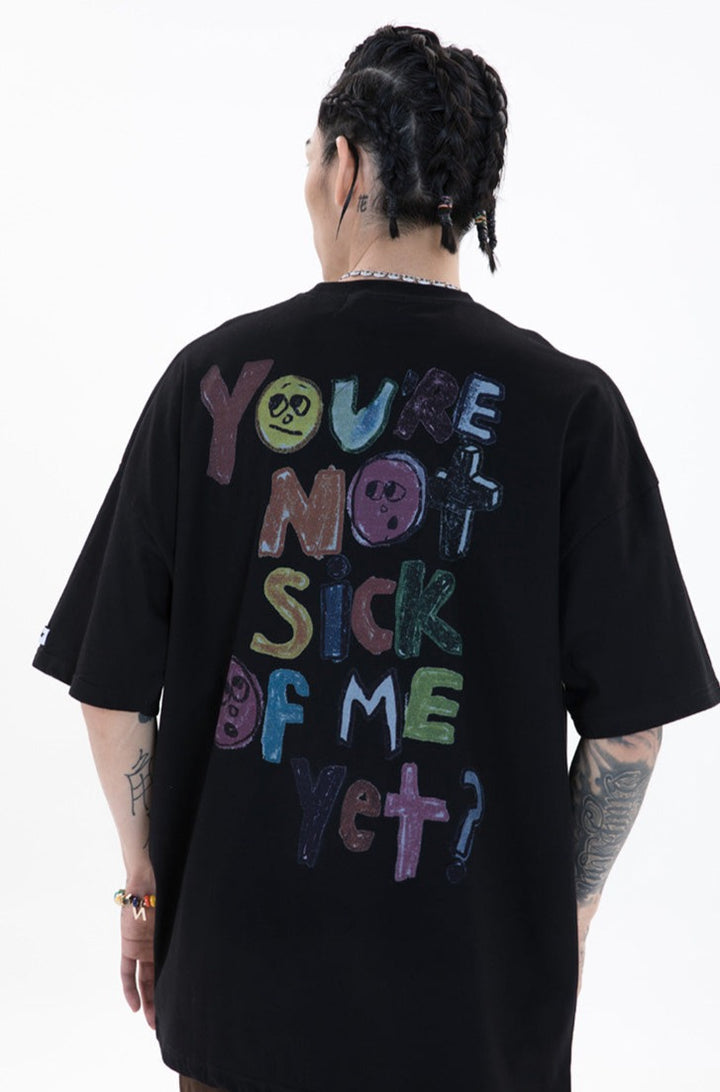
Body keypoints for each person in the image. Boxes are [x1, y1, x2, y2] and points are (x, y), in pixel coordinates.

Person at [31, 23, 719, 1092]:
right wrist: (566, 913)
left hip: (243, 1002)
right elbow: (629, 728)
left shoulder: (210, 385)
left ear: (346, 166)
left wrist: (145, 888)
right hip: (474, 1018)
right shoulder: (570, 410)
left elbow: (112, 690)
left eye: (313, 158)